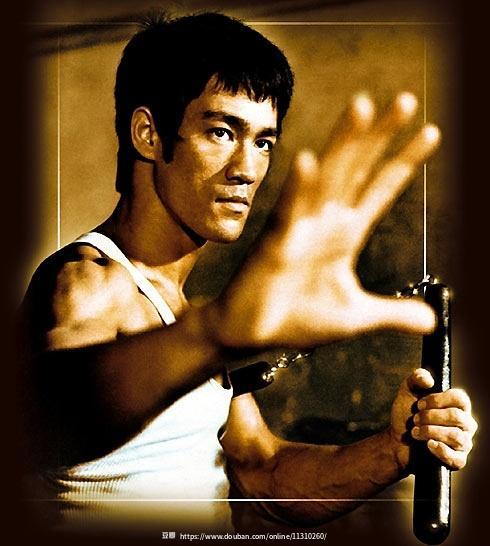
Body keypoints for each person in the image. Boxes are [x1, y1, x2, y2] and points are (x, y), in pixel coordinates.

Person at [19, 12, 477, 538]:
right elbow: (44, 419)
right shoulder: (86, 282)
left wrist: (396, 450)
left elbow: (264, 474)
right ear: (149, 135)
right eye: (221, 132)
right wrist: (212, 333)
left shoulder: (180, 310)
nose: (247, 169)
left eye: (263, 142)